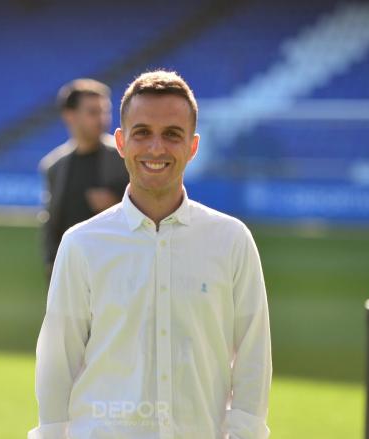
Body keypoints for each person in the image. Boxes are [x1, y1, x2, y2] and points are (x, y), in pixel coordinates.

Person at [30, 71, 272, 439]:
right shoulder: (81, 244)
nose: (156, 148)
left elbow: (254, 358)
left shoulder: (231, 240)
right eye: (142, 132)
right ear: (122, 142)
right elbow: (56, 360)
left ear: (192, 146)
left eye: (172, 134)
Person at [39, 78, 128, 278]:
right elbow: (51, 220)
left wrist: (116, 205)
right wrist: (50, 262)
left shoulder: (125, 158)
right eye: (93, 112)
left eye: (105, 111)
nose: (102, 119)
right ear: (69, 116)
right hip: (71, 271)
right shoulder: (54, 166)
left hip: (115, 269)